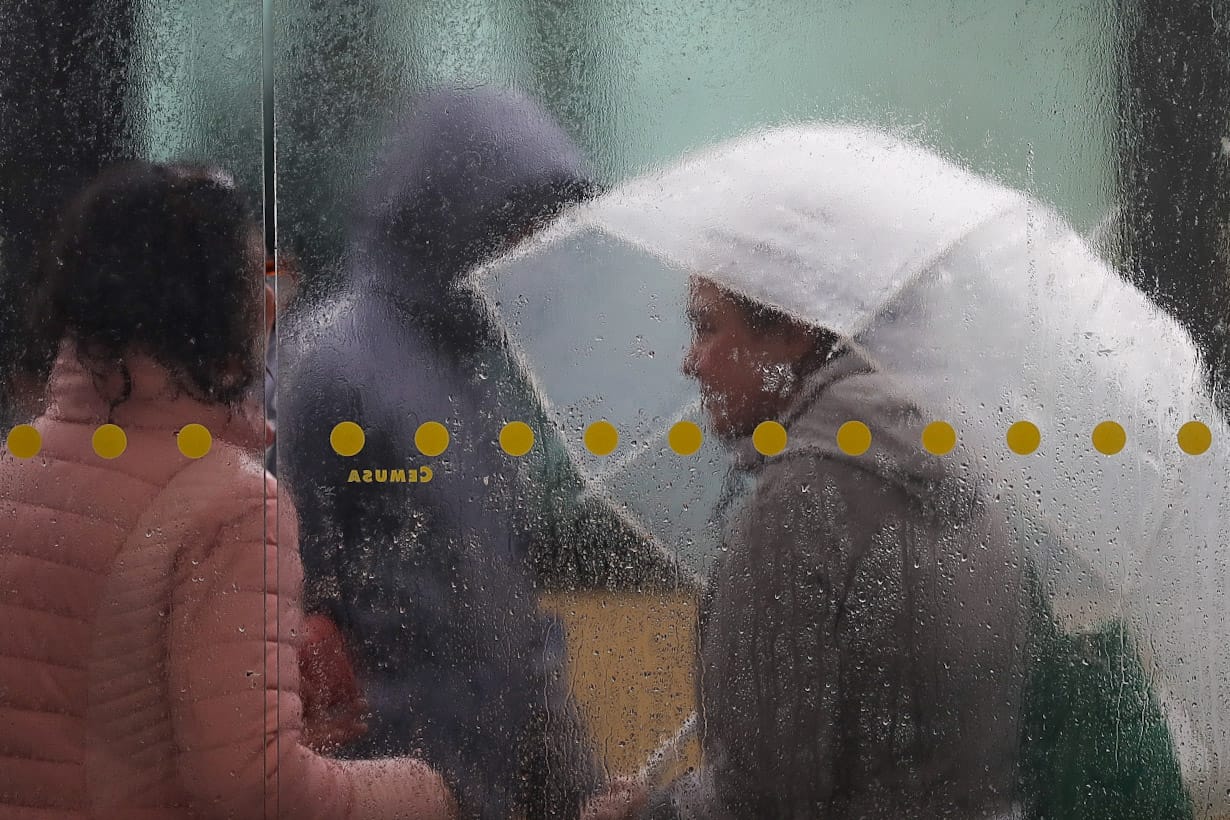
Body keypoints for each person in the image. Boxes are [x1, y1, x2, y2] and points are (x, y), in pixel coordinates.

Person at [536, 123, 1217, 818]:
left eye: (709, 327)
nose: (691, 360)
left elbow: (761, 798)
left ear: (794, 331)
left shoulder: (800, 506)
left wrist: (649, 813)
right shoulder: (966, 474)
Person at [0, 161, 454, 819]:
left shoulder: (14, 470)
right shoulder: (233, 505)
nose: (274, 301)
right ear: (230, 310)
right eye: (258, 281)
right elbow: (253, 787)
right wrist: (419, 792)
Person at [279, 87, 663, 820]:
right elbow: (294, 601)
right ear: (452, 218)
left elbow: (499, 607)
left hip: (468, 781)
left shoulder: (465, 370)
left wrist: (570, 780)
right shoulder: (335, 362)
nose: (538, 261)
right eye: (522, 231)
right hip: (387, 784)